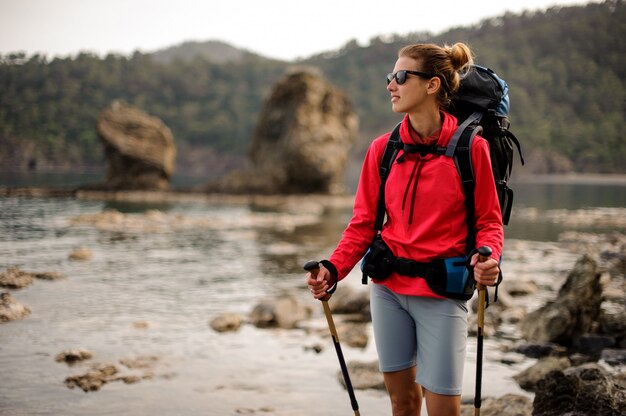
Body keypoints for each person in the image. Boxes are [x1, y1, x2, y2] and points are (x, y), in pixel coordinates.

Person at [305, 42, 504, 416]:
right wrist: (333, 269)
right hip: (388, 291)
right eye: (389, 77)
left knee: (444, 408)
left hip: (442, 293)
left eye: (400, 76)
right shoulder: (383, 150)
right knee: (402, 402)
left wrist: (489, 260)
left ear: (432, 86)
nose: (391, 85)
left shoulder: (470, 149)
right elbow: (363, 224)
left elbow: (489, 222)